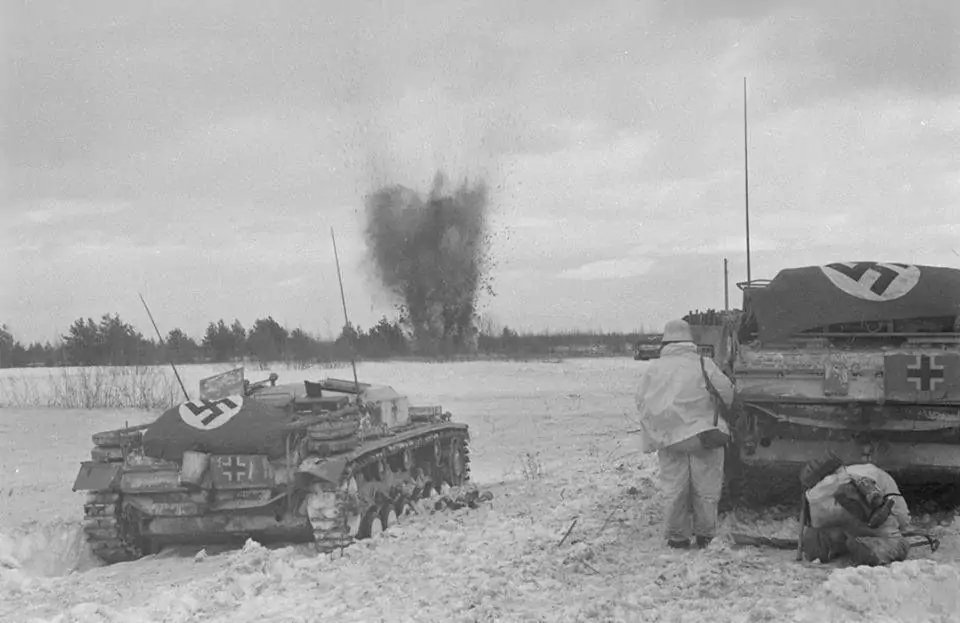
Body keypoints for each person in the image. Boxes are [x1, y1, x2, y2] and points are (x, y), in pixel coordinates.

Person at [635, 318, 735, 549]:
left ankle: (677, 537)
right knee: (706, 487)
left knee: (674, 488)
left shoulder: (653, 369)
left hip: (669, 439)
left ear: (665, 342)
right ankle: (705, 535)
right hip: (703, 437)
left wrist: (660, 429)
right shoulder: (704, 363)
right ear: (690, 340)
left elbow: (641, 401)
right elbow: (727, 393)